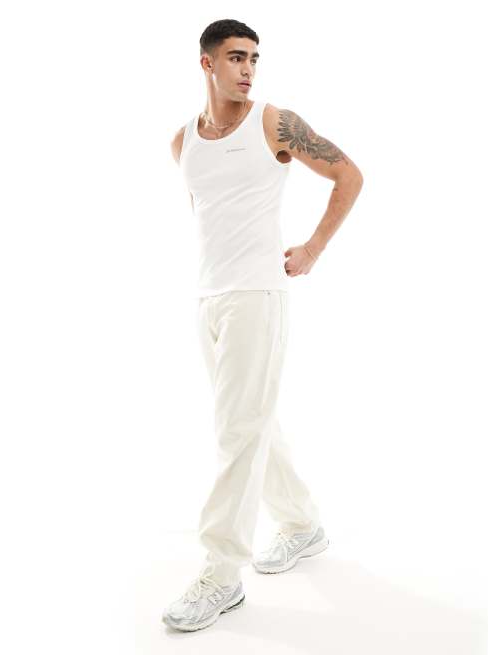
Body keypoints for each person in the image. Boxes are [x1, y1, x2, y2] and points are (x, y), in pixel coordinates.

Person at [162, 18, 363, 632]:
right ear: (207, 63)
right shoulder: (183, 142)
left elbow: (348, 175)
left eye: (253, 57)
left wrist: (312, 248)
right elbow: (208, 215)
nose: (247, 68)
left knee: (237, 431)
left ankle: (221, 574)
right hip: (209, 298)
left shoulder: (272, 123)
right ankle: (302, 524)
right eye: (235, 57)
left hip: (257, 295)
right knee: (254, 422)